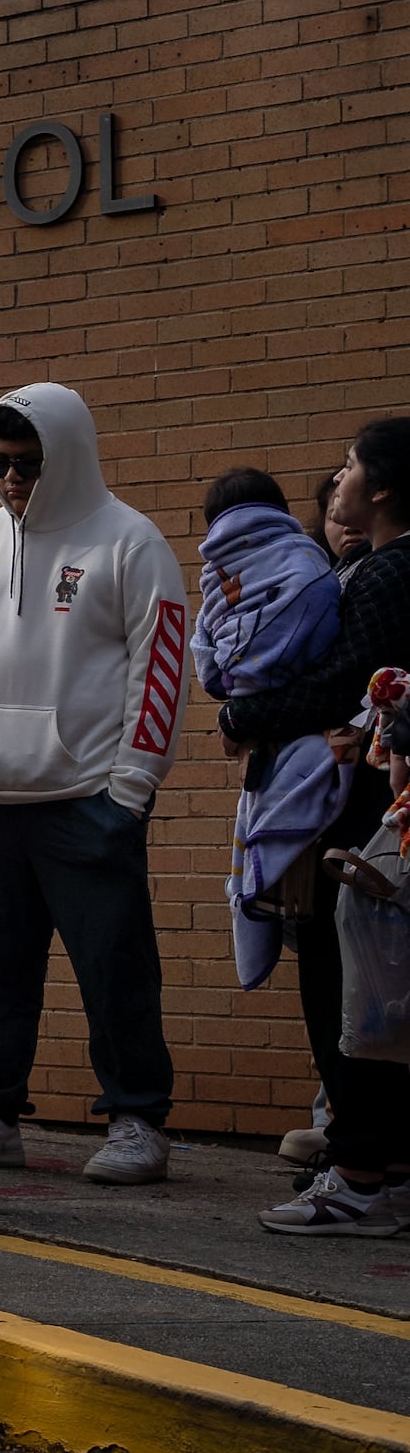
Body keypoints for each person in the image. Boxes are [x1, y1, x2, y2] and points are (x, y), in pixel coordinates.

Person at [0, 383, 189, 1186]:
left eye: (30, 466)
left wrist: (130, 789)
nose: (12, 482)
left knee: (114, 968)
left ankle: (137, 1119)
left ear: (69, 457)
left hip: (87, 800)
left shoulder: (130, 542)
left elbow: (163, 669)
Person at [223, 418, 410, 1236]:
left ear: (383, 490)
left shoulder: (385, 575)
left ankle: (359, 1176)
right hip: (374, 816)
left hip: (363, 824)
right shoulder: (368, 568)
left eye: (348, 466)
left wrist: (245, 710)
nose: (336, 480)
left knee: (351, 991)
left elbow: (348, 685)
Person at [196, 468, 345, 990]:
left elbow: (207, 661)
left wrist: (240, 685)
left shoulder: (216, 573)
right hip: (287, 730)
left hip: (255, 716)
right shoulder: (310, 564)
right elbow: (317, 618)